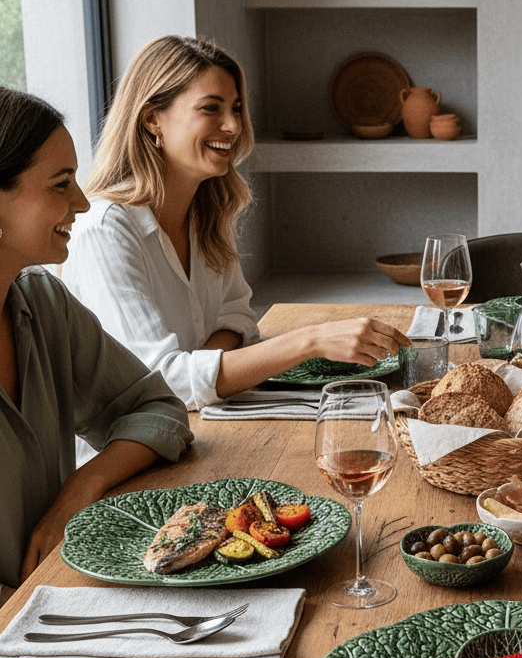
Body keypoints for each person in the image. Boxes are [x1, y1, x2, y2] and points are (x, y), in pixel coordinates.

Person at [62, 36, 410, 412]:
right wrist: (310, 341)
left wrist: (198, 369)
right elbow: (160, 385)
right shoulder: (105, 230)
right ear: (152, 120)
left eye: (236, 109)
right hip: (128, 444)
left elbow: (239, 317)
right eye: (211, 108)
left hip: (194, 423)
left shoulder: (206, 212)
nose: (233, 126)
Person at [0, 86, 192, 589]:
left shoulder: (44, 303)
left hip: (56, 596)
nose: (83, 202)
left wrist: (80, 488)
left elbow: (158, 408)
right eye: (61, 184)